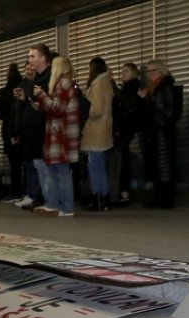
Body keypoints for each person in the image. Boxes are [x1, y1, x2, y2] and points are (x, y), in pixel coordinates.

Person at [33, 55, 80, 217]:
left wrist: (42, 96)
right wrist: (41, 104)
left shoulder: (63, 84)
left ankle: (65, 207)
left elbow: (57, 109)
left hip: (61, 134)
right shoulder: (66, 84)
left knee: (61, 171)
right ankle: (54, 204)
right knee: (56, 170)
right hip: (61, 133)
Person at [13, 44, 52, 210]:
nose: (29, 60)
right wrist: (25, 99)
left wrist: (39, 101)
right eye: (29, 56)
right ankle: (46, 198)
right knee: (38, 165)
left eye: (33, 56)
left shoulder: (50, 77)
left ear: (43, 58)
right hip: (34, 129)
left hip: (46, 129)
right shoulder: (36, 79)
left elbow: (50, 104)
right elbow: (34, 103)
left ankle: (51, 199)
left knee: (47, 167)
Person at [139, 59, 178, 209]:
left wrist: (154, 121)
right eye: (148, 71)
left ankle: (165, 198)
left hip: (162, 133)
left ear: (161, 71)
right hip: (155, 133)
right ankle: (158, 197)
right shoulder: (154, 88)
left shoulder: (165, 88)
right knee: (157, 165)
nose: (150, 74)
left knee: (164, 166)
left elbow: (167, 112)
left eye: (153, 70)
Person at [81, 57, 115, 212]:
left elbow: (96, 109)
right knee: (100, 165)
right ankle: (105, 197)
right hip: (104, 128)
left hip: (95, 129)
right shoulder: (107, 83)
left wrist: (84, 110)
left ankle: (97, 197)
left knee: (94, 165)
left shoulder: (98, 85)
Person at [110, 63, 143, 206]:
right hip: (123, 127)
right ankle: (122, 191)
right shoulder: (126, 88)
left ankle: (124, 192)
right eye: (122, 71)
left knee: (123, 160)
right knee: (121, 159)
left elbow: (129, 103)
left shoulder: (133, 87)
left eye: (126, 71)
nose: (123, 73)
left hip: (126, 128)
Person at [0, 63, 24, 203]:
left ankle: (16, 190)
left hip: (8, 129)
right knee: (27, 162)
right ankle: (28, 191)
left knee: (14, 163)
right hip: (23, 128)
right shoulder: (23, 88)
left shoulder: (4, 91)